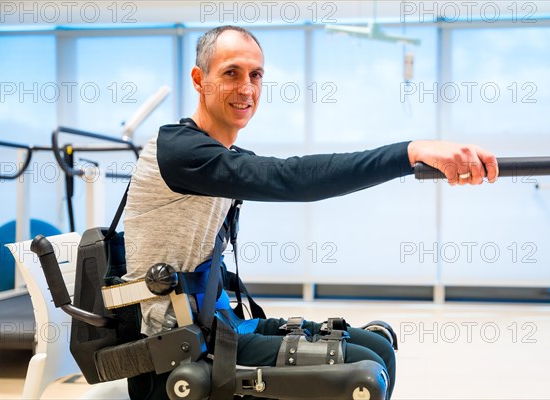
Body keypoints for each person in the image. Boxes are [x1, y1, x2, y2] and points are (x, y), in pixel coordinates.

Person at [122, 25, 499, 399]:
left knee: (379, 349)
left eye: (256, 75)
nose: (247, 89)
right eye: (231, 73)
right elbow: (294, 178)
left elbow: (301, 171)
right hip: (173, 351)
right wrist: (410, 152)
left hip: (217, 326)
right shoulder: (179, 150)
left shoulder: (219, 158)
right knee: (363, 370)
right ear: (199, 80)